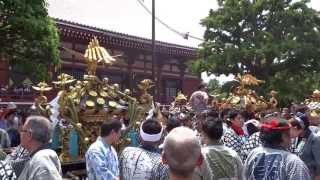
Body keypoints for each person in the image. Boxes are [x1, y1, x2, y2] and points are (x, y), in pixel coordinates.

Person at [244, 117, 311, 180]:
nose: (291, 138)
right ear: (283, 136)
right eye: (288, 133)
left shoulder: (254, 153)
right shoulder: (292, 161)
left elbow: (245, 176)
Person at [18, 115, 62, 180]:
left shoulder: (42, 159)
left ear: (30, 135)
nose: (20, 133)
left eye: (22, 130)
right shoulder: (39, 157)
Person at [289, 112, 320, 179]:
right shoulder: (295, 137)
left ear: (296, 128)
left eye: (290, 129)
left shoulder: (314, 139)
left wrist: (317, 177)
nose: (288, 131)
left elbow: (319, 162)